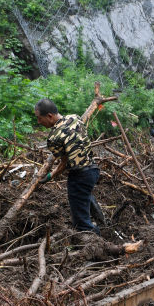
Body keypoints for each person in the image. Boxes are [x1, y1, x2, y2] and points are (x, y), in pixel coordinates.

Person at [36, 92, 106, 234]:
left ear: (49, 116)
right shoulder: (75, 118)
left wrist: (50, 176)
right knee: (84, 195)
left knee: (81, 221)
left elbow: (63, 163)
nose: (38, 122)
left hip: (80, 176)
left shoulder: (54, 138)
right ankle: (100, 219)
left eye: (39, 118)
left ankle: (94, 240)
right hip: (93, 170)